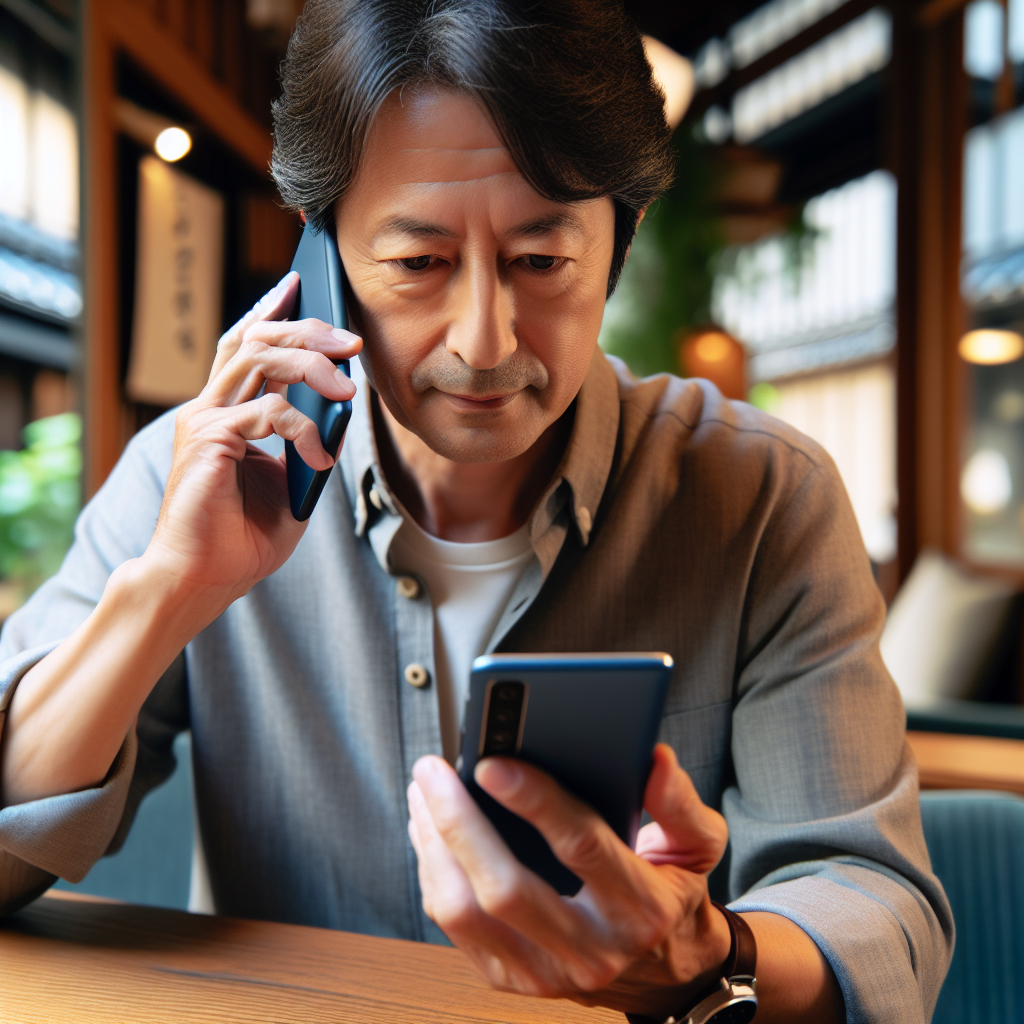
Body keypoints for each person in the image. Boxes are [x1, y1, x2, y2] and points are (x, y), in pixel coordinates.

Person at [0, 2, 951, 1022]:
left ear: (619, 244)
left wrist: (706, 955)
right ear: (324, 267)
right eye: (417, 264)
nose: (485, 339)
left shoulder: (763, 499)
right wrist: (166, 592)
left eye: (541, 261)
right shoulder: (194, 477)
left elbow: (876, 907)